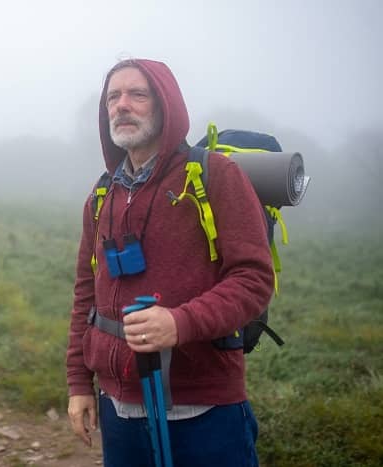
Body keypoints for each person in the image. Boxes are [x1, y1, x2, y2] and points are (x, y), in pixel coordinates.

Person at [65, 58, 274, 467]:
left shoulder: (216, 175)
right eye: (113, 97)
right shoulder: (102, 194)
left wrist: (180, 323)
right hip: (119, 410)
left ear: (166, 105)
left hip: (204, 410)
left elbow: (253, 278)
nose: (121, 105)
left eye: (137, 94)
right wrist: (78, 383)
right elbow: (84, 295)